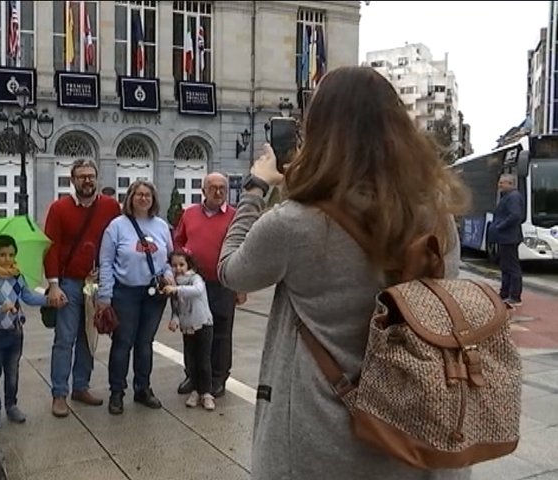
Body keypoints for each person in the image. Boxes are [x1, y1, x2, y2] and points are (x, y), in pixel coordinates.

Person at [217, 66, 471, 479]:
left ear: (318, 133)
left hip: (320, 445)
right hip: (413, 439)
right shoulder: (437, 219)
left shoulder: (294, 224)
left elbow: (231, 270)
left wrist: (255, 188)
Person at [44, 159, 121, 418]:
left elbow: (118, 240)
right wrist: (53, 285)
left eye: (91, 176)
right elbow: (51, 247)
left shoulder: (110, 207)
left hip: (96, 284)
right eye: (81, 177)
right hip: (69, 283)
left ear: (97, 178)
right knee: (64, 339)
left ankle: (81, 386)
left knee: (89, 337)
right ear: (72, 180)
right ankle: (59, 393)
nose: (87, 181)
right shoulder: (59, 208)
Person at [98, 180, 174, 415]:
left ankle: (143, 388)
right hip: (125, 294)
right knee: (123, 343)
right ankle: (117, 392)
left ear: (153, 199)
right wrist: (105, 295)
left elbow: (169, 257)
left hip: (154, 295)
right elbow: (106, 263)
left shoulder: (161, 226)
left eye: (148, 195)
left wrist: (169, 275)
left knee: (145, 343)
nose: (143, 198)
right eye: (139, 194)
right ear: (130, 198)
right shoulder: (116, 226)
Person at [173, 172, 244, 398]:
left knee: (221, 331)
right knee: (192, 330)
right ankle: (192, 375)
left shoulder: (235, 217)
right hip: (194, 284)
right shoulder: (189, 214)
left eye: (222, 187)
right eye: (212, 187)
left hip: (224, 283)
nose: (218, 191)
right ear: (203, 191)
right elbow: (178, 241)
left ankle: (217, 378)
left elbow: (244, 250)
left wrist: (241, 286)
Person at [0, 234, 48, 430]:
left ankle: (11, 405)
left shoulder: (18, 277)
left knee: (13, 372)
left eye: (11, 254)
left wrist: (49, 300)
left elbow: (29, 297)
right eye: (2, 255)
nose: (7, 259)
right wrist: (0, 308)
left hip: (15, 334)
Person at [163, 249, 215, 411]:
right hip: (187, 328)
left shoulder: (195, 279)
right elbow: (176, 308)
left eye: (181, 264)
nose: (178, 268)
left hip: (203, 324)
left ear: (189, 265)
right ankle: (195, 390)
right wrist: (175, 320)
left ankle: (206, 392)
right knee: (191, 361)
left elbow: (197, 291)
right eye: (174, 265)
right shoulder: (174, 284)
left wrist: (176, 290)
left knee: (204, 361)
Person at [489, 173, 524, 307]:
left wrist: (499, 226)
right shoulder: (508, 196)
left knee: (512, 267)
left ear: (510, 184)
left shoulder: (513, 197)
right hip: (505, 237)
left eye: (502, 183)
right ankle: (505, 293)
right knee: (505, 266)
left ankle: (514, 296)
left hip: (509, 237)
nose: (499, 185)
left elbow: (515, 215)